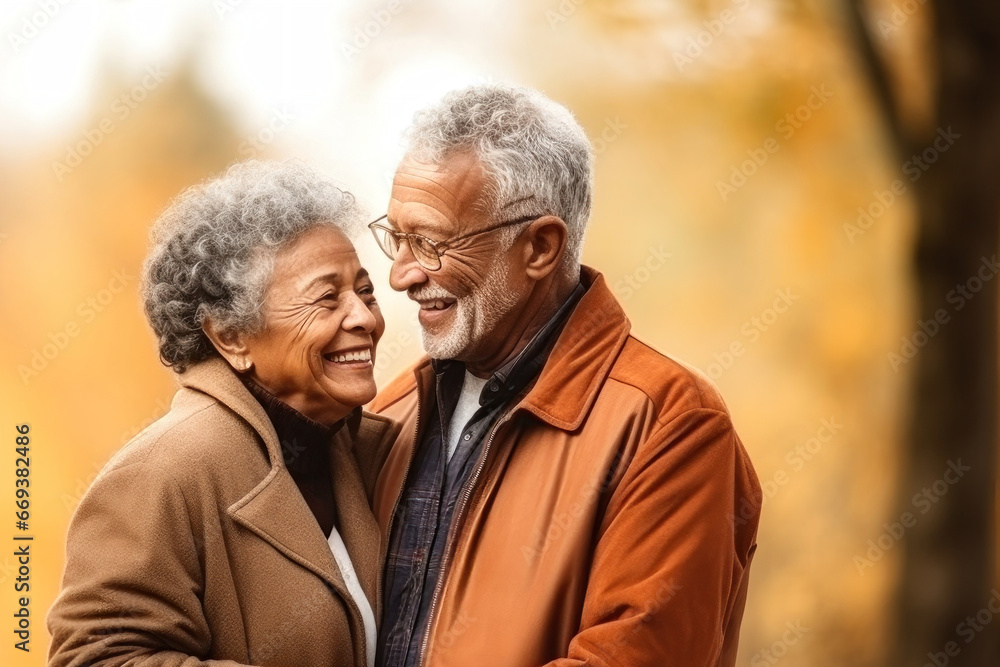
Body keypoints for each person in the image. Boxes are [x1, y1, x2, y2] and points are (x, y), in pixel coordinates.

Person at [363, 84, 763, 667]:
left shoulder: (671, 422)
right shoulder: (389, 413)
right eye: (397, 239)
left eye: (429, 243)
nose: (400, 276)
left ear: (540, 247)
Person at [47, 161, 397, 667]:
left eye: (365, 292)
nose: (364, 318)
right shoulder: (160, 473)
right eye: (326, 299)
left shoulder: (373, 449)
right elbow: (97, 657)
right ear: (231, 336)